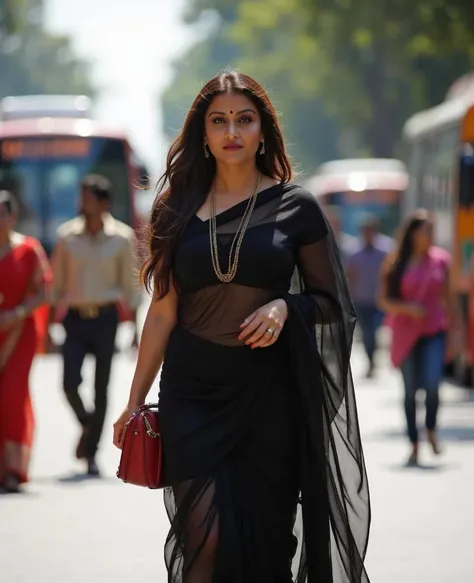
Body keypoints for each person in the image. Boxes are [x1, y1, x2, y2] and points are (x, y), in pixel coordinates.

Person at [113, 72, 370, 582]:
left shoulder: (297, 207)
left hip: (269, 395)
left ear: (263, 130)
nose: (232, 131)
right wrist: (135, 399)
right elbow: (162, 311)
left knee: (268, 541)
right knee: (204, 536)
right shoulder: (175, 209)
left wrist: (284, 308)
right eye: (219, 120)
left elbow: (332, 303)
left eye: (244, 119)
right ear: (203, 134)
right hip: (192, 392)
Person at [51, 175, 141, 476]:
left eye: (89, 198)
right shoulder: (66, 237)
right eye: (82, 197)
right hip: (75, 320)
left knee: (102, 388)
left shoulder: (122, 238)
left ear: (103, 203)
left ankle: (91, 453)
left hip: (106, 319)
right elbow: (56, 285)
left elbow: (131, 285)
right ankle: (89, 424)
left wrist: (136, 331)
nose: (83, 203)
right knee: (68, 383)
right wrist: (50, 325)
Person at [379, 210, 454, 465]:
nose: (431, 235)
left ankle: (430, 429)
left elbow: (449, 300)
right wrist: (408, 309)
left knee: (433, 384)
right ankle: (413, 443)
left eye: (433, 230)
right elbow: (385, 301)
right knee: (410, 391)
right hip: (405, 334)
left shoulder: (442, 260)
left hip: (434, 330)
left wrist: (457, 333)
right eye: (426, 230)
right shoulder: (397, 262)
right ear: (413, 233)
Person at [0, 190, 51, 493]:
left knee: (12, 396)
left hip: (20, 332)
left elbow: (44, 293)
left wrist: (16, 314)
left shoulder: (28, 250)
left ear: (12, 216)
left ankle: (14, 468)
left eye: (1, 213)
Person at [346, 215, 391, 377]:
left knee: (375, 331)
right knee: (367, 333)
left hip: (380, 300)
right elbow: (349, 275)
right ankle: (371, 360)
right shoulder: (353, 251)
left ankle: (374, 357)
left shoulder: (387, 248)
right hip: (361, 299)